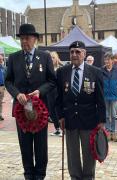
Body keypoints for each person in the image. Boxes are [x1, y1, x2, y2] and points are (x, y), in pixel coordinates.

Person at [5, 23, 56, 180]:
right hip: (21, 110)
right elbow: (8, 81)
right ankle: (28, 174)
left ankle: (40, 175)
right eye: (21, 38)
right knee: (25, 146)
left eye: (27, 38)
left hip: (39, 110)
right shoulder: (14, 58)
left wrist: (40, 91)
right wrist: (17, 93)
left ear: (34, 39)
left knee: (41, 146)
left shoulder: (45, 57)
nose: (24, 42)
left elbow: (52, 80)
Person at [56, 41, 106, 180]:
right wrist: (60, 116)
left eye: (78, 52)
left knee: (89, 152)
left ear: (84, 54)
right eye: (72, 52)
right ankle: (75, 177)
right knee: (72, 154)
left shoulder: (95, 72)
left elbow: (100, 98)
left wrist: (102, 120)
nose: (74, 54)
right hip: (69, 120)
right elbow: (58, 97)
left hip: (89, 120)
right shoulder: (62, 72)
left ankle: (88, 177)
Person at [101, 52, 117, 142]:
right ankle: (107, 132)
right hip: (104, 96)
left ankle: (113, 133)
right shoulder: (101, 70)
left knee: (113, 115)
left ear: (112, 60)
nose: (107, 61)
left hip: (114, 97)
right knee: (105, 115)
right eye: (105, 60)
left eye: (108, 60)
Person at [48, 51, 63, 136]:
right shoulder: (47, 69)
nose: (51, 59)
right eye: (50, 58)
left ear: (56, 58)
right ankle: (57, 129)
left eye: (53, 57)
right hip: (49, 93)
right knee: (51, 111)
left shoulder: (60, 69)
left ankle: (61, 128)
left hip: (58, 92)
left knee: (58, 110)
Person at [0, 54, 6, 121]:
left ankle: (0, 114)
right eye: (0, 60)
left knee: (0, 102)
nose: (1, 61)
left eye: (1, 59)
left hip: (2, 86)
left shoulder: (3, 68)